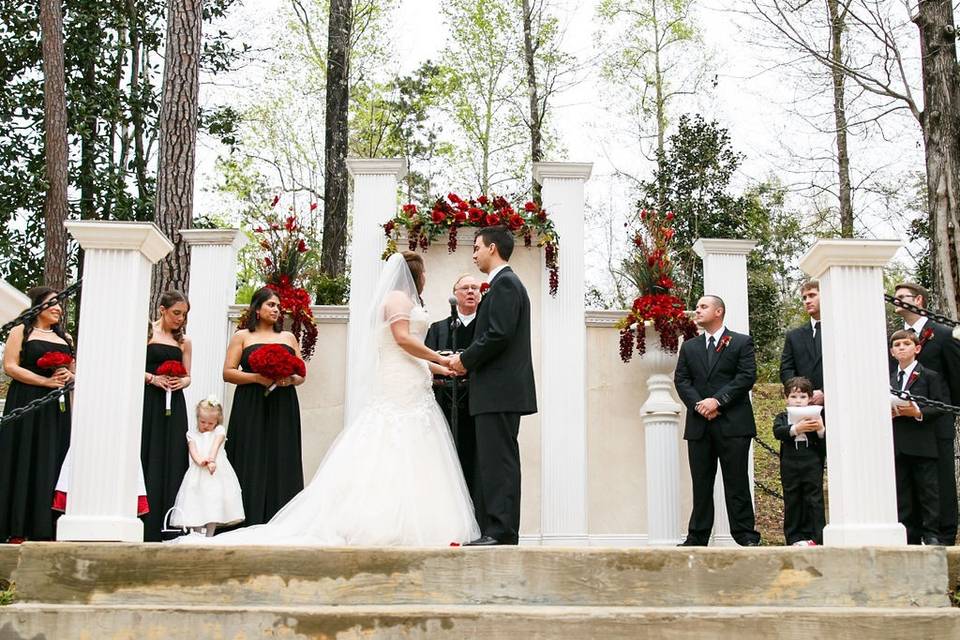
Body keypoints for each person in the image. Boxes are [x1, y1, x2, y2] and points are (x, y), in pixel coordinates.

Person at [185, 252, 479, 546]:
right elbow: (402, 341)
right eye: (424, 272)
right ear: (416, 273)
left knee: (416, 449)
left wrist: (442, 367)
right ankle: (380, 522)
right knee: (390, 444)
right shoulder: (396, 300)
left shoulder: (408, 303)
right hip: (397, 382)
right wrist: (441, 358)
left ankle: (418, 522)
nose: (425, 278)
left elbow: (408, 350)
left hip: (414, 379)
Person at [450, 226, 537, 546]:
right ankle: (495, 529)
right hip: (497, 391)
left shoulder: (505, 285)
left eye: (477, 247)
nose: (473, 254)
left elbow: (498, 335)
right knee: (494, 460)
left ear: (493, 248)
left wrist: (465, 360)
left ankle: (500, 531)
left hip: (499, 391)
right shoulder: (503, 285)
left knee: (499, 461)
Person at [674, 295, 761, 547]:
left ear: (719, 311)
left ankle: (746, 535)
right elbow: (682, 380)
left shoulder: (741, 342)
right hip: (700, 426)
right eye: (698, 307)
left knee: (737, 481)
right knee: (701, 483)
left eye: (703, 307)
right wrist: (701, 405)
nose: (697, 310)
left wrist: (718, 401)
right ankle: (697, 537)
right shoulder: (689, 347)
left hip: (734, 424)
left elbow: (746, 376)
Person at [223, 287, 305, 527]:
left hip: (283, 403)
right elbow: (228, 373)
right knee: (251, 455)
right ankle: (245, 518)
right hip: (250, 404)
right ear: (257, 309)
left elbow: (300, 374)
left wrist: (288, 380)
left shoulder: (288, 337)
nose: (276, 310)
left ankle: (283, 521)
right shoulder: (242, 336)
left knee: (282, 455)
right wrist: (257, 378)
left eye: (278, 306)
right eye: (271, 305)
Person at [0, 287, 74, 542]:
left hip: (57, 407)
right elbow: (10, 366)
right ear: (37, 306)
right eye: (52, 303)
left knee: (52, 456)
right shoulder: (21, 331)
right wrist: (44, 383)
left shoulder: (66, 338)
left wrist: (68, 376)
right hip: (27, 400)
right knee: (24, 456)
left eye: (59, 304)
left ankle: (47, 526)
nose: (58, 308)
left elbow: (75, 371)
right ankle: (16, 526)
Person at [891, 282, 960, 545]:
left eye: (901, 297)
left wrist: (946, 412)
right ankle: (914, 533)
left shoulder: (942, 334)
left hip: (936, 421)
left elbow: (955, 378)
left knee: (940, 480)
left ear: (918, 300)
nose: (896, 301)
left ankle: (942, 535)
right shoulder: (897, 338)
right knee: (909, 481)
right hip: (906, 425)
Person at [141, 290, 192, 541]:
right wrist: (153, 379)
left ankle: (169, 521)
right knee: (147, 451)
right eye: (176, 313)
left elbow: (188, 376)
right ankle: (143, 520)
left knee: (172, 454)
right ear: (162, 309)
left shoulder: (184, 342)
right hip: (148, 400)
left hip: (174, 402)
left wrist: (180, 382)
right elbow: (131, 364)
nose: (180, 319)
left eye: (183, 315)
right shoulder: (146, 332)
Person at [424, 273, 481, 500]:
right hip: (444, 406)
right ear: (455, 295)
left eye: (475, 288)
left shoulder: (487, 328)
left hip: (477, 407)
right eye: (465, 288)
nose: (470, 292)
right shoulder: (437, 329)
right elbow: (427, 364)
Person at [889, 329, 948, 545]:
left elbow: (941, 406)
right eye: (897, 345)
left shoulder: (930, 376)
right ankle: (908, 534)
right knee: (902, 492)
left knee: (927, 491)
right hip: (897, 443)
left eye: (906, 343)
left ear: (917, 348)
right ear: (891, 352)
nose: (901, 347)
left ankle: (931, 533)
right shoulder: (887, 379)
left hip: (922, 442)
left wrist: (918, 412)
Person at [169, 397, 244, 537]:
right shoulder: (192, 434)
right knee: (197, 501)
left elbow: (215, 446)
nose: (206, 425)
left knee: (213, 501)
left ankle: (210, 533)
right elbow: (193, 451)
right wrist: (200, 461)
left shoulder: (219, 431)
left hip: (216, 473)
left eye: (210, 423)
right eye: (202, 422)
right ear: (197, 418)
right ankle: (197, 533)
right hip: (199, 472)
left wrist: (211, 460)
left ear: (217, 421)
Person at [772, 376, 826, 546]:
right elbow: (778, 432)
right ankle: (793, 537)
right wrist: (796, 429)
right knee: (792, 498)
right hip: (790, 461)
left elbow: (824, 441)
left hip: (811, 460)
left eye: (802, 397)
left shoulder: (816, 416)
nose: (798, 401)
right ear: (786, 398)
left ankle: (816, 537)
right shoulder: (782, 416)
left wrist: (820, 430)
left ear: (810, 398)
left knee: (814, 499)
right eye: (793, 397)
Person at [779, 281, 824, 406]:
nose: (807, 301)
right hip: (803, 407)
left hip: (840, 405)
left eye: (812, 295)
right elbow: (786, 369)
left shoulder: (841, 332)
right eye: (804, 298)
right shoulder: (794, 336)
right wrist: (801, 394)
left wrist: (824, 392)